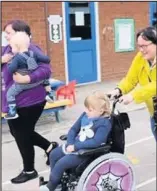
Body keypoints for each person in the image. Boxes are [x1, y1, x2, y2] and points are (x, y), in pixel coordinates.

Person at [2, 20, 58, 184]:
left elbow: (46, 69)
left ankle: (29, 170)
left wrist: (28, 78)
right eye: (5, 33)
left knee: (22, 135)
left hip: (30, 101)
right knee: (18, 132)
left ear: (21, 34)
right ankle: (50, 148)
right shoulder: (7, 49)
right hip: (12, 100)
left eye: (9, 32)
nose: (6, 36)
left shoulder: (30, 48)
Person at [39, 91, 112, 191]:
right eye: (86, 108)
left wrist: (75, 147)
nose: (86, 111)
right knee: (53, 154)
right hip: (74, 145)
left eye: (89, 109)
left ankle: (51, 186)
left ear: (100, 111)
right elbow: (73, 129)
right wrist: (70, 143)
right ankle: (57, 181)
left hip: (86, 152)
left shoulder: (104, 124)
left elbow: (96, 142)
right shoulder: (85, 116)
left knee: (61, 163)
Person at [109, 26, 156, 141]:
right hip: (154, 114)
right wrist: (118, 90)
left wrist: (133, 96)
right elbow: (130, 79)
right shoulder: (141, 58)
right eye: (139, 46)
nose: (141, 50)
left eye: (144, 46)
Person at [4, 31, 55, 120]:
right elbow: (46, 59)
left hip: (23, 84)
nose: (11, 49)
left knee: (10, 94)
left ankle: (12, 112)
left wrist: (9, 63)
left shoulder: (17, 58)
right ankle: (50, 94)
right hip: (37, 81)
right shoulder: (33, 53)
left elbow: (11, 70)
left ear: (17, 47)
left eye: (12, 47)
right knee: (45, 79)